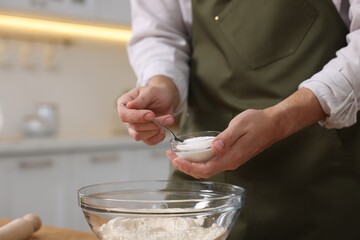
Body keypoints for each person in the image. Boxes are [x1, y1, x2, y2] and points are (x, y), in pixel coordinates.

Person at [117, 0, 360, 239]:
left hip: (320, 171)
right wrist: (163, 85)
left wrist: (279, 120)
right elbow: (160, 33)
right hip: (206, 185)